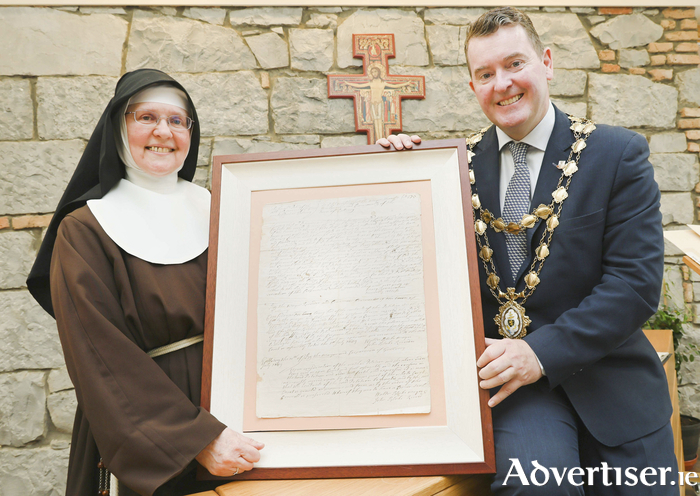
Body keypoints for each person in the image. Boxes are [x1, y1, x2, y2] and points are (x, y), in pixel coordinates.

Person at [379, 7, 677, 495]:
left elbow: (634, 286)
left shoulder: (617, 155)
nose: (503, 83)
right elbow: (411, 271)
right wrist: (395, 178)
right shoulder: (450, 169)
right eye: (485, 73)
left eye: (515, 64)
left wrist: (539, 351)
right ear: (473, 85)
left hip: (615, 389)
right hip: (517, 399)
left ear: (546, 62)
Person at [27, 69, 263, 496]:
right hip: (152, 437)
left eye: (177, 120)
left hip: (243, 423)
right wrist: (195, 440)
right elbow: (100, 355)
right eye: (146, 117)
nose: (163, 131)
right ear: (117, 127)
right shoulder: (85, 229)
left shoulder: (223, 207)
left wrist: (389, 159)